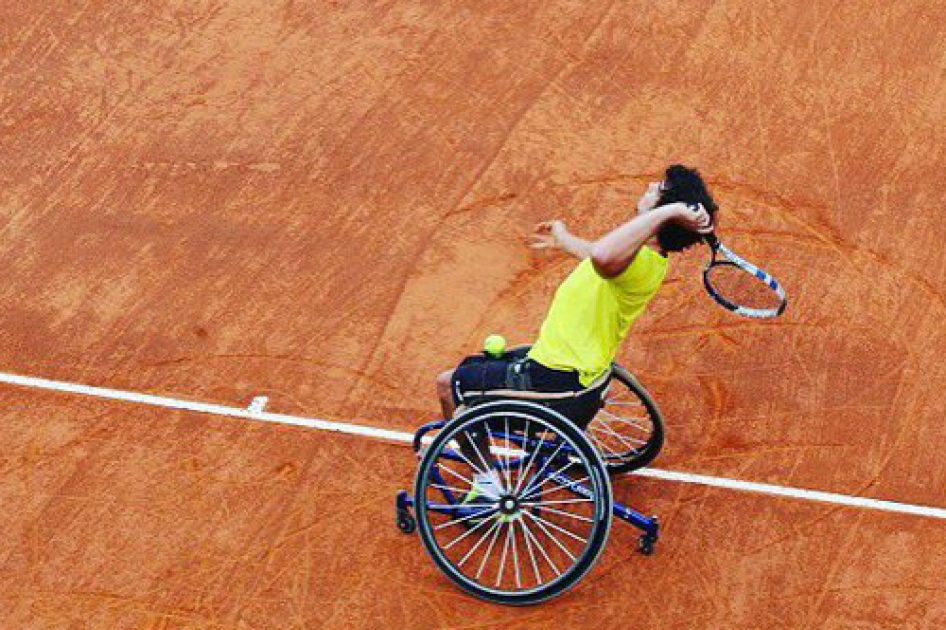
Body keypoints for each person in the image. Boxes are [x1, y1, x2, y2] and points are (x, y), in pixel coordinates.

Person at [435, 164, 717, 497]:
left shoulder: (629, 260)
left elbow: (601, 255)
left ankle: (487, 485)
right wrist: (564, 240)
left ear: (664, 213)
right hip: (580, 374)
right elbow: (598, 256)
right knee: (479, 366)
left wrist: (670, 210)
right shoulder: (645, 259)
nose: (652, 185)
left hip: (556, 380)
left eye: (661, 188)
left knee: (449, 384)